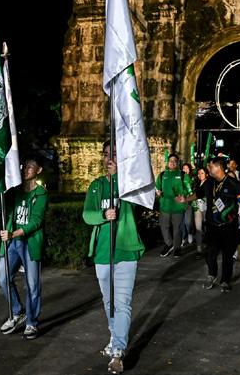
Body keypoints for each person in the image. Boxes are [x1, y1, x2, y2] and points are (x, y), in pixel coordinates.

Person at [83, 141, 145, 374]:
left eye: (115, 154)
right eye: (107, 154)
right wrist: (102, 214)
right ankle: (114, 337)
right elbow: (87, 215)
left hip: (126, 251)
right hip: (102, 253)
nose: (110, 158)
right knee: (109, 302)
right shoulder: (97, 185)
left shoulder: (129, 184)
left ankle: (118, 351)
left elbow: (138, 203)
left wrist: (118, 176)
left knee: (122, 303)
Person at [0, 155, 49, 340]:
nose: (26, 169)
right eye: (24, 166)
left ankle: (32, 322)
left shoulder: (41, 194)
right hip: (12, 243)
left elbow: (36, 222)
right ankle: (17, 311)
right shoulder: (16, 191)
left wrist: (14, 233)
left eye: (30, 167)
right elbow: (3, 206)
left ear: (38, 170)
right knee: (3, 278)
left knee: (32, 284)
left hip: (29, 242)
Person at [202, 156, 240, 292]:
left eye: (210, 166)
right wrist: (185, 199)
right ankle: (212, 275)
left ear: (218, 167)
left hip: (229, 227)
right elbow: (198, 194)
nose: (208, 168)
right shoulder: (209, 182)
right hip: (212, 226)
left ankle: (225, 281)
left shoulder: (234, 184)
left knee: (227, 255)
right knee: (209, 253)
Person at [155, 153, 192, 258]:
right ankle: (169, 244)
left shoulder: (183, 175)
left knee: (177, 229)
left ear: (177, 162)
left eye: (174, 161)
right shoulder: (162, 174)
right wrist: (158, 192)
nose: (172, 163)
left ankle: (177, 248)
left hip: (178, 207)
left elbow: (189, 189)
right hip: (165, 207)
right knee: (163, 227)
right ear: (168, 162)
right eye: (170, 161)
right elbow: (157, 187)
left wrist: (183, 195)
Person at [186, 167, 209, 259]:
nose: (200, 175)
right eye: (199, 173)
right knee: (198, 229)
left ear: (206, 174)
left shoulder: (209, 183)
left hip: (207, 208)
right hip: (197, 208)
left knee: (208, 228)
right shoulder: (196, 183)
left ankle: (209, 247)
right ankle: (199, 250)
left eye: (202, 173)